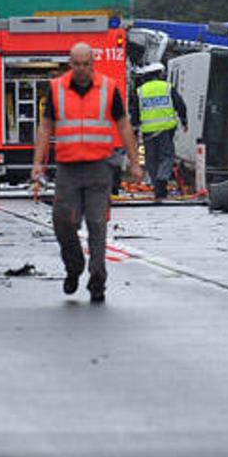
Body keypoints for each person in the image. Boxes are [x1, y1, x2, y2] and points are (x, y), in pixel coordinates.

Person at [31, 42, 142, 304]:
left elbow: (124, 126)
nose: (81, 69)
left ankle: (97, 280)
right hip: (68, 169)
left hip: (99, 168)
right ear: (70, 64)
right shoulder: (57, 89)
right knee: (63, 222)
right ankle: (74, 266)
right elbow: (45, 127)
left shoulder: (108, 88)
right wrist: (38, 163)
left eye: (86, 64)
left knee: (96, 224)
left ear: (93, 64)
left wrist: (135, 162)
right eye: (77, 64)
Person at [131, 62, 188, 200]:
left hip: (148, 131)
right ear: (159, 74)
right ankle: (162, 180)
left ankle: (157, 186)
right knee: (167, 157)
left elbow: (135, 112)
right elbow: (180, 104)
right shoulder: (167, 87)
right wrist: (184, 120)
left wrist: (135, 129)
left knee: (151, 160)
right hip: (165, 129)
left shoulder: (140, 91)